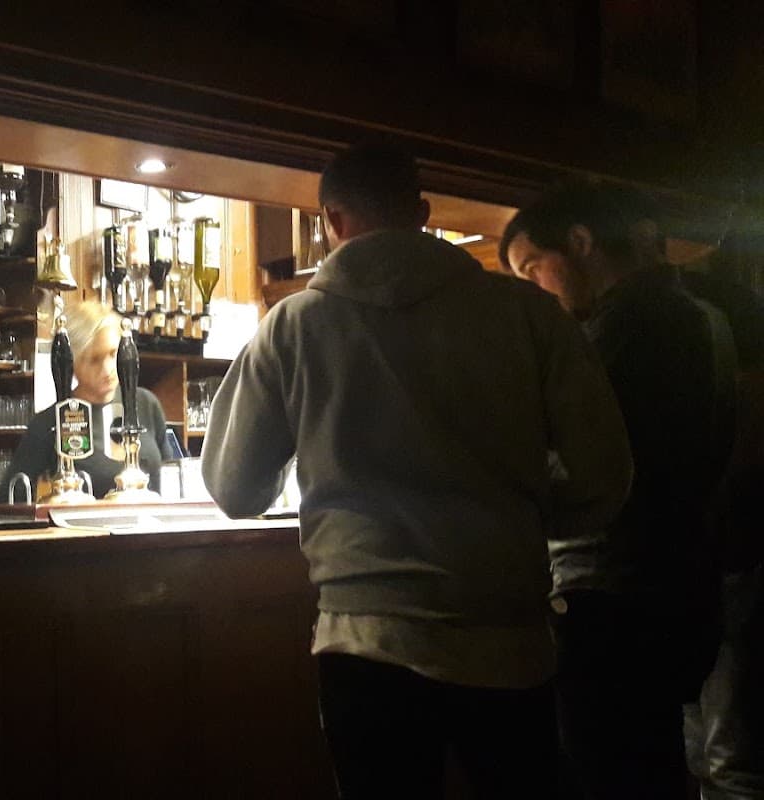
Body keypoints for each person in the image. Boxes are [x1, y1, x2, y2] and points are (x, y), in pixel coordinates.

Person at [203, 141, 632, 799]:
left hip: (365, 639)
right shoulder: (529, 314)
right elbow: (606, 475)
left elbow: (235, 489)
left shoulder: (293, 327)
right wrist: (530, 516)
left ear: (331, 222)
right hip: (509, 641)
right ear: (423, 213)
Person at [501, 182, 734, 800]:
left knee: (609, 771)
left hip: (614, 589)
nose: (532, 290)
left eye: (532, 270)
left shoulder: (629, 325)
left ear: (580, 243)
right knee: (654, 766)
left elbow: (580, 457)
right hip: (674, 582)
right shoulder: (699, 316)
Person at [605, 186, 764, 800]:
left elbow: (748, 425)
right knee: (715, 739)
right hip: (713, 541)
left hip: (713, 543)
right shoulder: (723, 305)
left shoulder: (674, 310)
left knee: (716, 742)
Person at [0, 300, 172, 501]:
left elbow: (171, 476)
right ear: (72, 363)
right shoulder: (50, 422)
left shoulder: (146, 404)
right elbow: (8, 500)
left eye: (114, 353)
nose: (108, 369)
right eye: (94, 359)